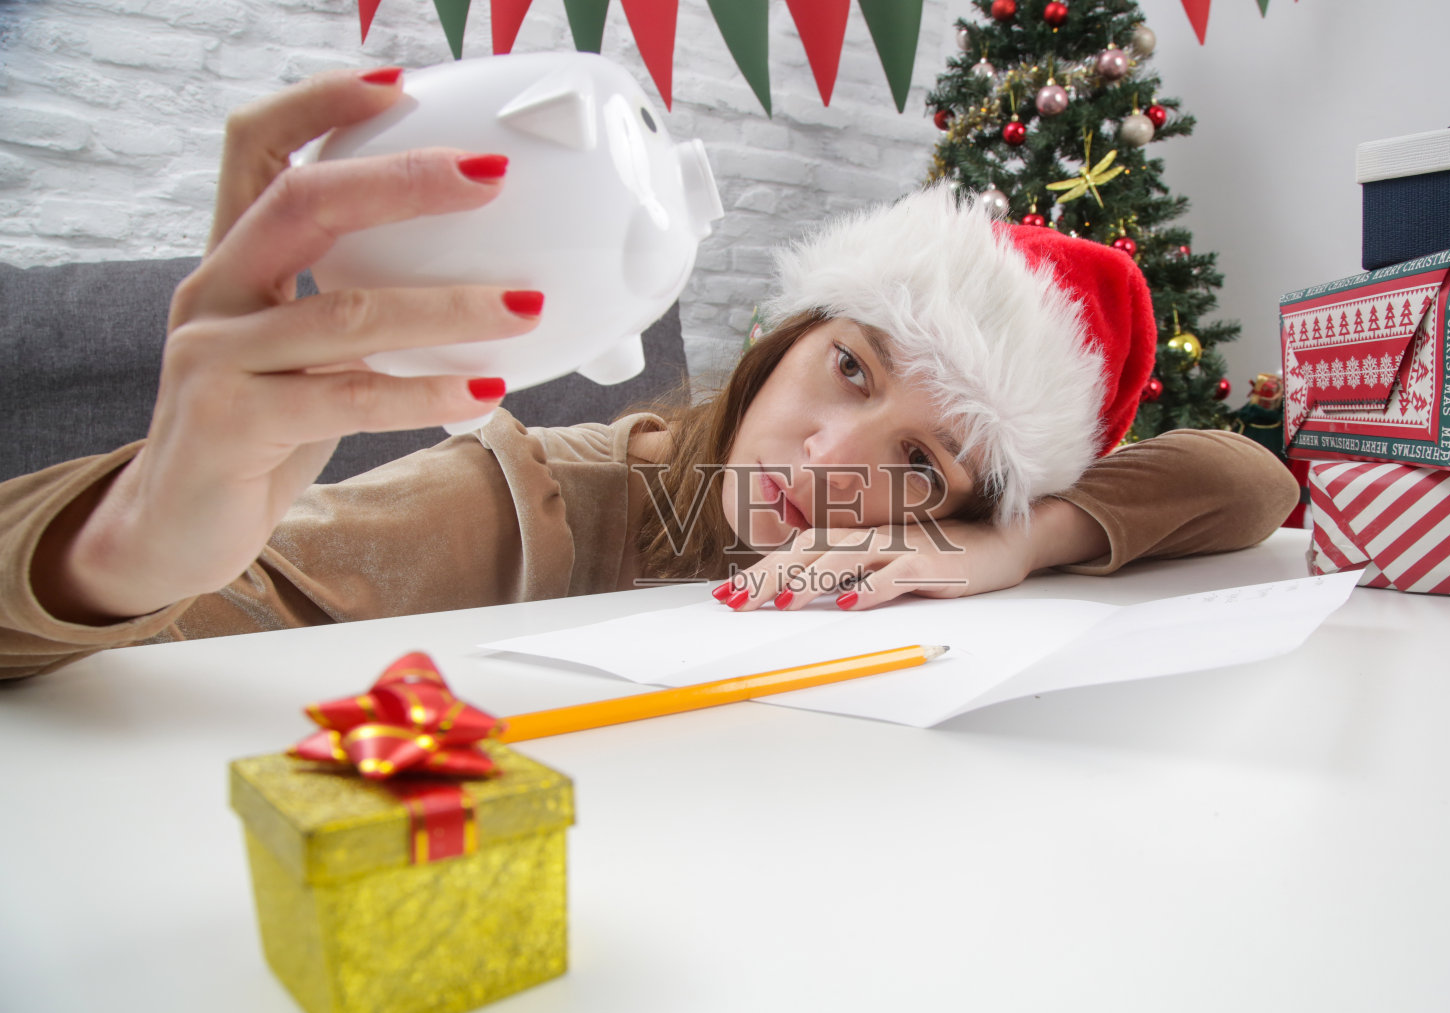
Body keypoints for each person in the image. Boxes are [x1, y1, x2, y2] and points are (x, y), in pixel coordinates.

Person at [0, 68, 1297, 681]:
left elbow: (1247, 479)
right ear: (788, 339)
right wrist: (123, 550)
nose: (831, 462)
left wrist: (1031, 538)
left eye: (921, 462)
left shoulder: (927, 557)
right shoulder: (529, 502)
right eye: (849, 367)